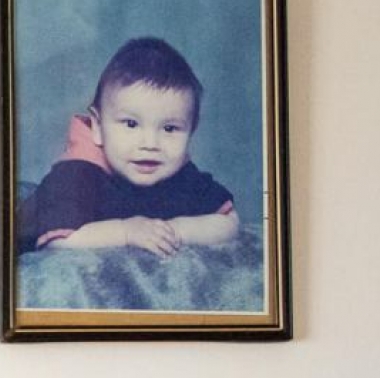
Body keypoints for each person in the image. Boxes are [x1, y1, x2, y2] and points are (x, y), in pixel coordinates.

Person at [16, 35, 238, 256]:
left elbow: (228, 221)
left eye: (169, 128)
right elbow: (56, 239)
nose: (150, 144)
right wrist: (126, 232)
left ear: (191, 130)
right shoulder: (75, 175)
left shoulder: (180, 173)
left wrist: (176, 231)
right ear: (98, 126)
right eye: (131, 124)